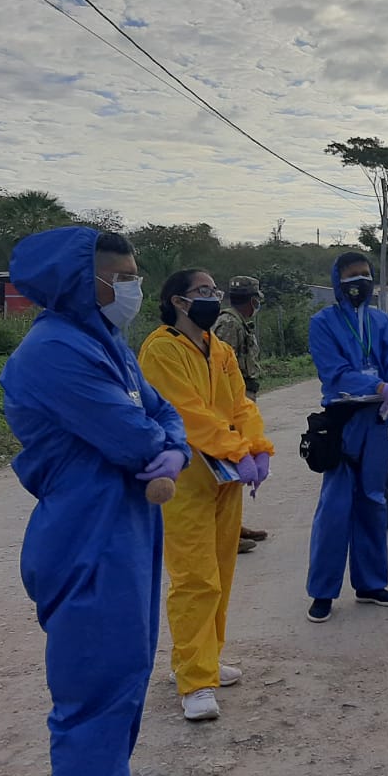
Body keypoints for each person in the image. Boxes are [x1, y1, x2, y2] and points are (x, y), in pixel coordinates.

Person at [0, 226, 189, 776]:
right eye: (123, 279)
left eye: (135, 277)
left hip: (125, 531)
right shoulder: (53, 351)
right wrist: (167, 447)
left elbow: (165, 413)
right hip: (86, 539)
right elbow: (136, 436)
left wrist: (173, 448)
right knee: (94, 697)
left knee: (124, 682)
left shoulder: (106, 343)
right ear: (86, 282)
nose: (133, 289)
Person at [139, 269, 274, 722]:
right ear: (178, 300)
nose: (214, 298)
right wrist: (239, 449)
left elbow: (241, 406)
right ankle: (194, 680)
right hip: (187, 475)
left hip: (226, 474)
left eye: (215, 292)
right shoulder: (161, 349)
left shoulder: (221, 350)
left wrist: (258, 447)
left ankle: (208, 658)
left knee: (221, 570)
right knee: (195, 578)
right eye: (204, 291)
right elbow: (188, 414)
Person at [305, 252, 388, 623]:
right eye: (352, 276)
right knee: (335, 508)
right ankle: (322, 592)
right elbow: (335, 372)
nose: (360, 282)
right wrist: (380, 384)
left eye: (366, 275)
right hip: (343, 419)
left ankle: (370, 584)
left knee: (373, 501)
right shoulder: (323, 323)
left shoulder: (380, 321)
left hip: (376, 419)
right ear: (337, 281)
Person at [212, 275, 268, 552]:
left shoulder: (237, 322)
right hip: (231, 404)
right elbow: (220, 368)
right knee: (230, 463)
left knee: (236, 464)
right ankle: (226, 532)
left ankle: (234, 524)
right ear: (252, 300)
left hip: (243, 398)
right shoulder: (229, 324)